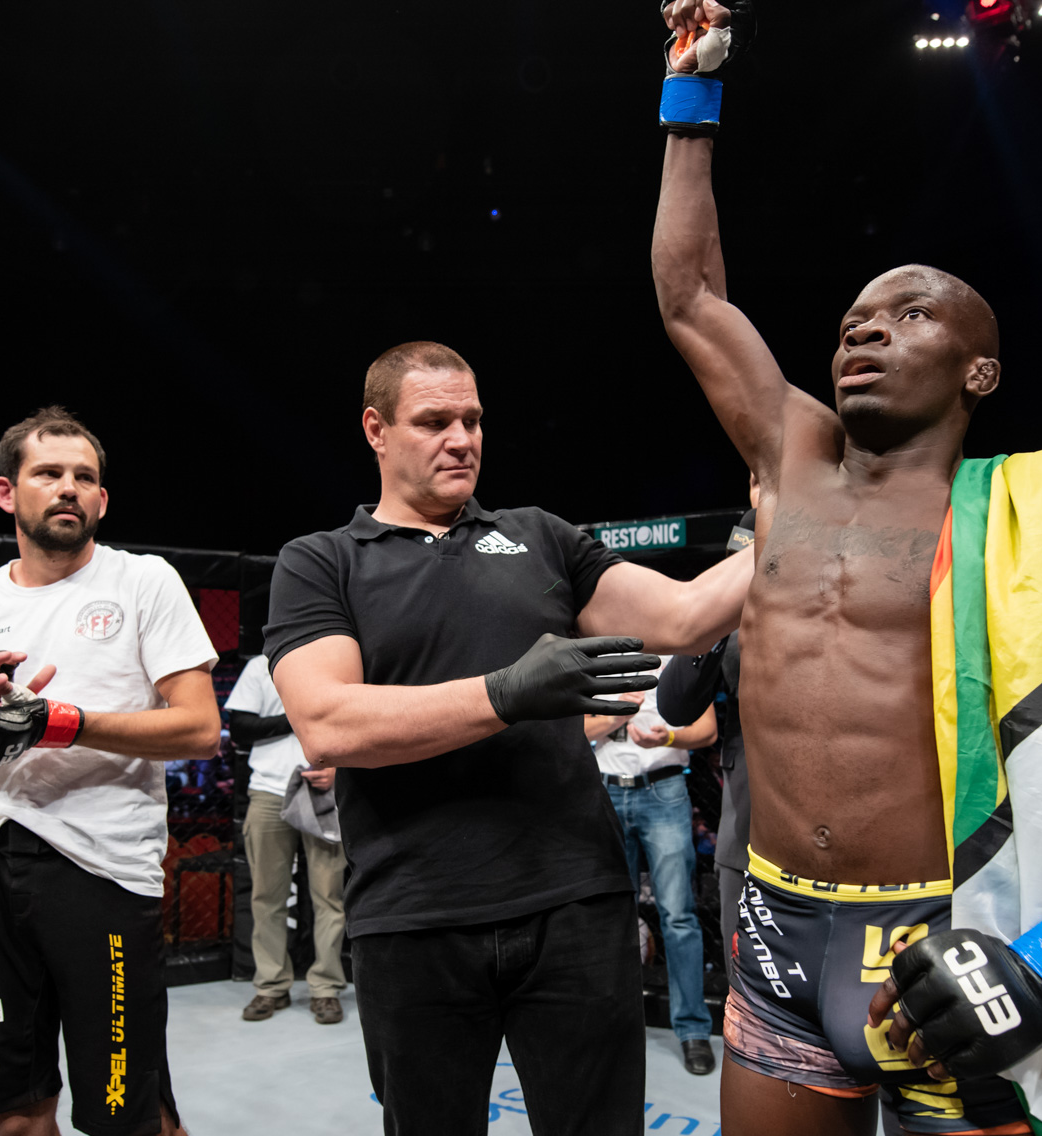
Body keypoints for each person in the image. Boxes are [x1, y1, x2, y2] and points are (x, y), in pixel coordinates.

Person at [653, 0, 1042, 1136]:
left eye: (909, 315)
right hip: (782, 935)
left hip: (968, 939)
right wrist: (690, 90)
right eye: (853, 317)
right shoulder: (790, 460)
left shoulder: (1035, 527)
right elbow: (691, 294)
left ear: (977, 372)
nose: (864, 327)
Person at [265, 340, 752, 1136]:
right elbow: (327, 723)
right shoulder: (322, 562)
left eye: (473, 419)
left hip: (577, 904)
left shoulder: (541, 537)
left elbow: (686, 617)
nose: (462, 438)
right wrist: (507, 694)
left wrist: (802, 518)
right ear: (376, 430)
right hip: (413, 914)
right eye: (434, 421)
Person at [0, 406, 220, 1136]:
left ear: (102, 500)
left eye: (85, 477)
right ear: (6, 492)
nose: (69, 488)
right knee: (10, 1111)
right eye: (48, 473)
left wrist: (59, 723)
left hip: (102, 869)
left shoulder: (144, 582)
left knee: (127, 1115)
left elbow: (201, 728)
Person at [586, 663, 720, 1073]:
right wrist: (614, 716)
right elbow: (573, 730)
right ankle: (613, 1027)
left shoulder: (678, 657)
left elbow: (709, 730)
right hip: (606, 788)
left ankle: (693, 1029)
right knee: (609, 919)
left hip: (664, 788)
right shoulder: (599, 656)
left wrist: (671, 735)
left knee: (678, 915)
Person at [658, 489, 760, 959]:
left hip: (847, 843)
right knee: (748, 996)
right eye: (757, 481)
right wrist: (725, 594)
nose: (765, 492)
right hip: (747, 836)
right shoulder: (734, 598)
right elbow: (676, 703)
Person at [226, 652, 347, 1026]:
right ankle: (271, 986)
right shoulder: (261, 665)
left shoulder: (340, 659)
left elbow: (359, 723)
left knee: (329, 896)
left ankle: (325, 988)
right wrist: (301, 717)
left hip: (326, 790)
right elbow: (242, 726)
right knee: (266, 895)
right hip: (268, 790)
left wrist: (340, 771)